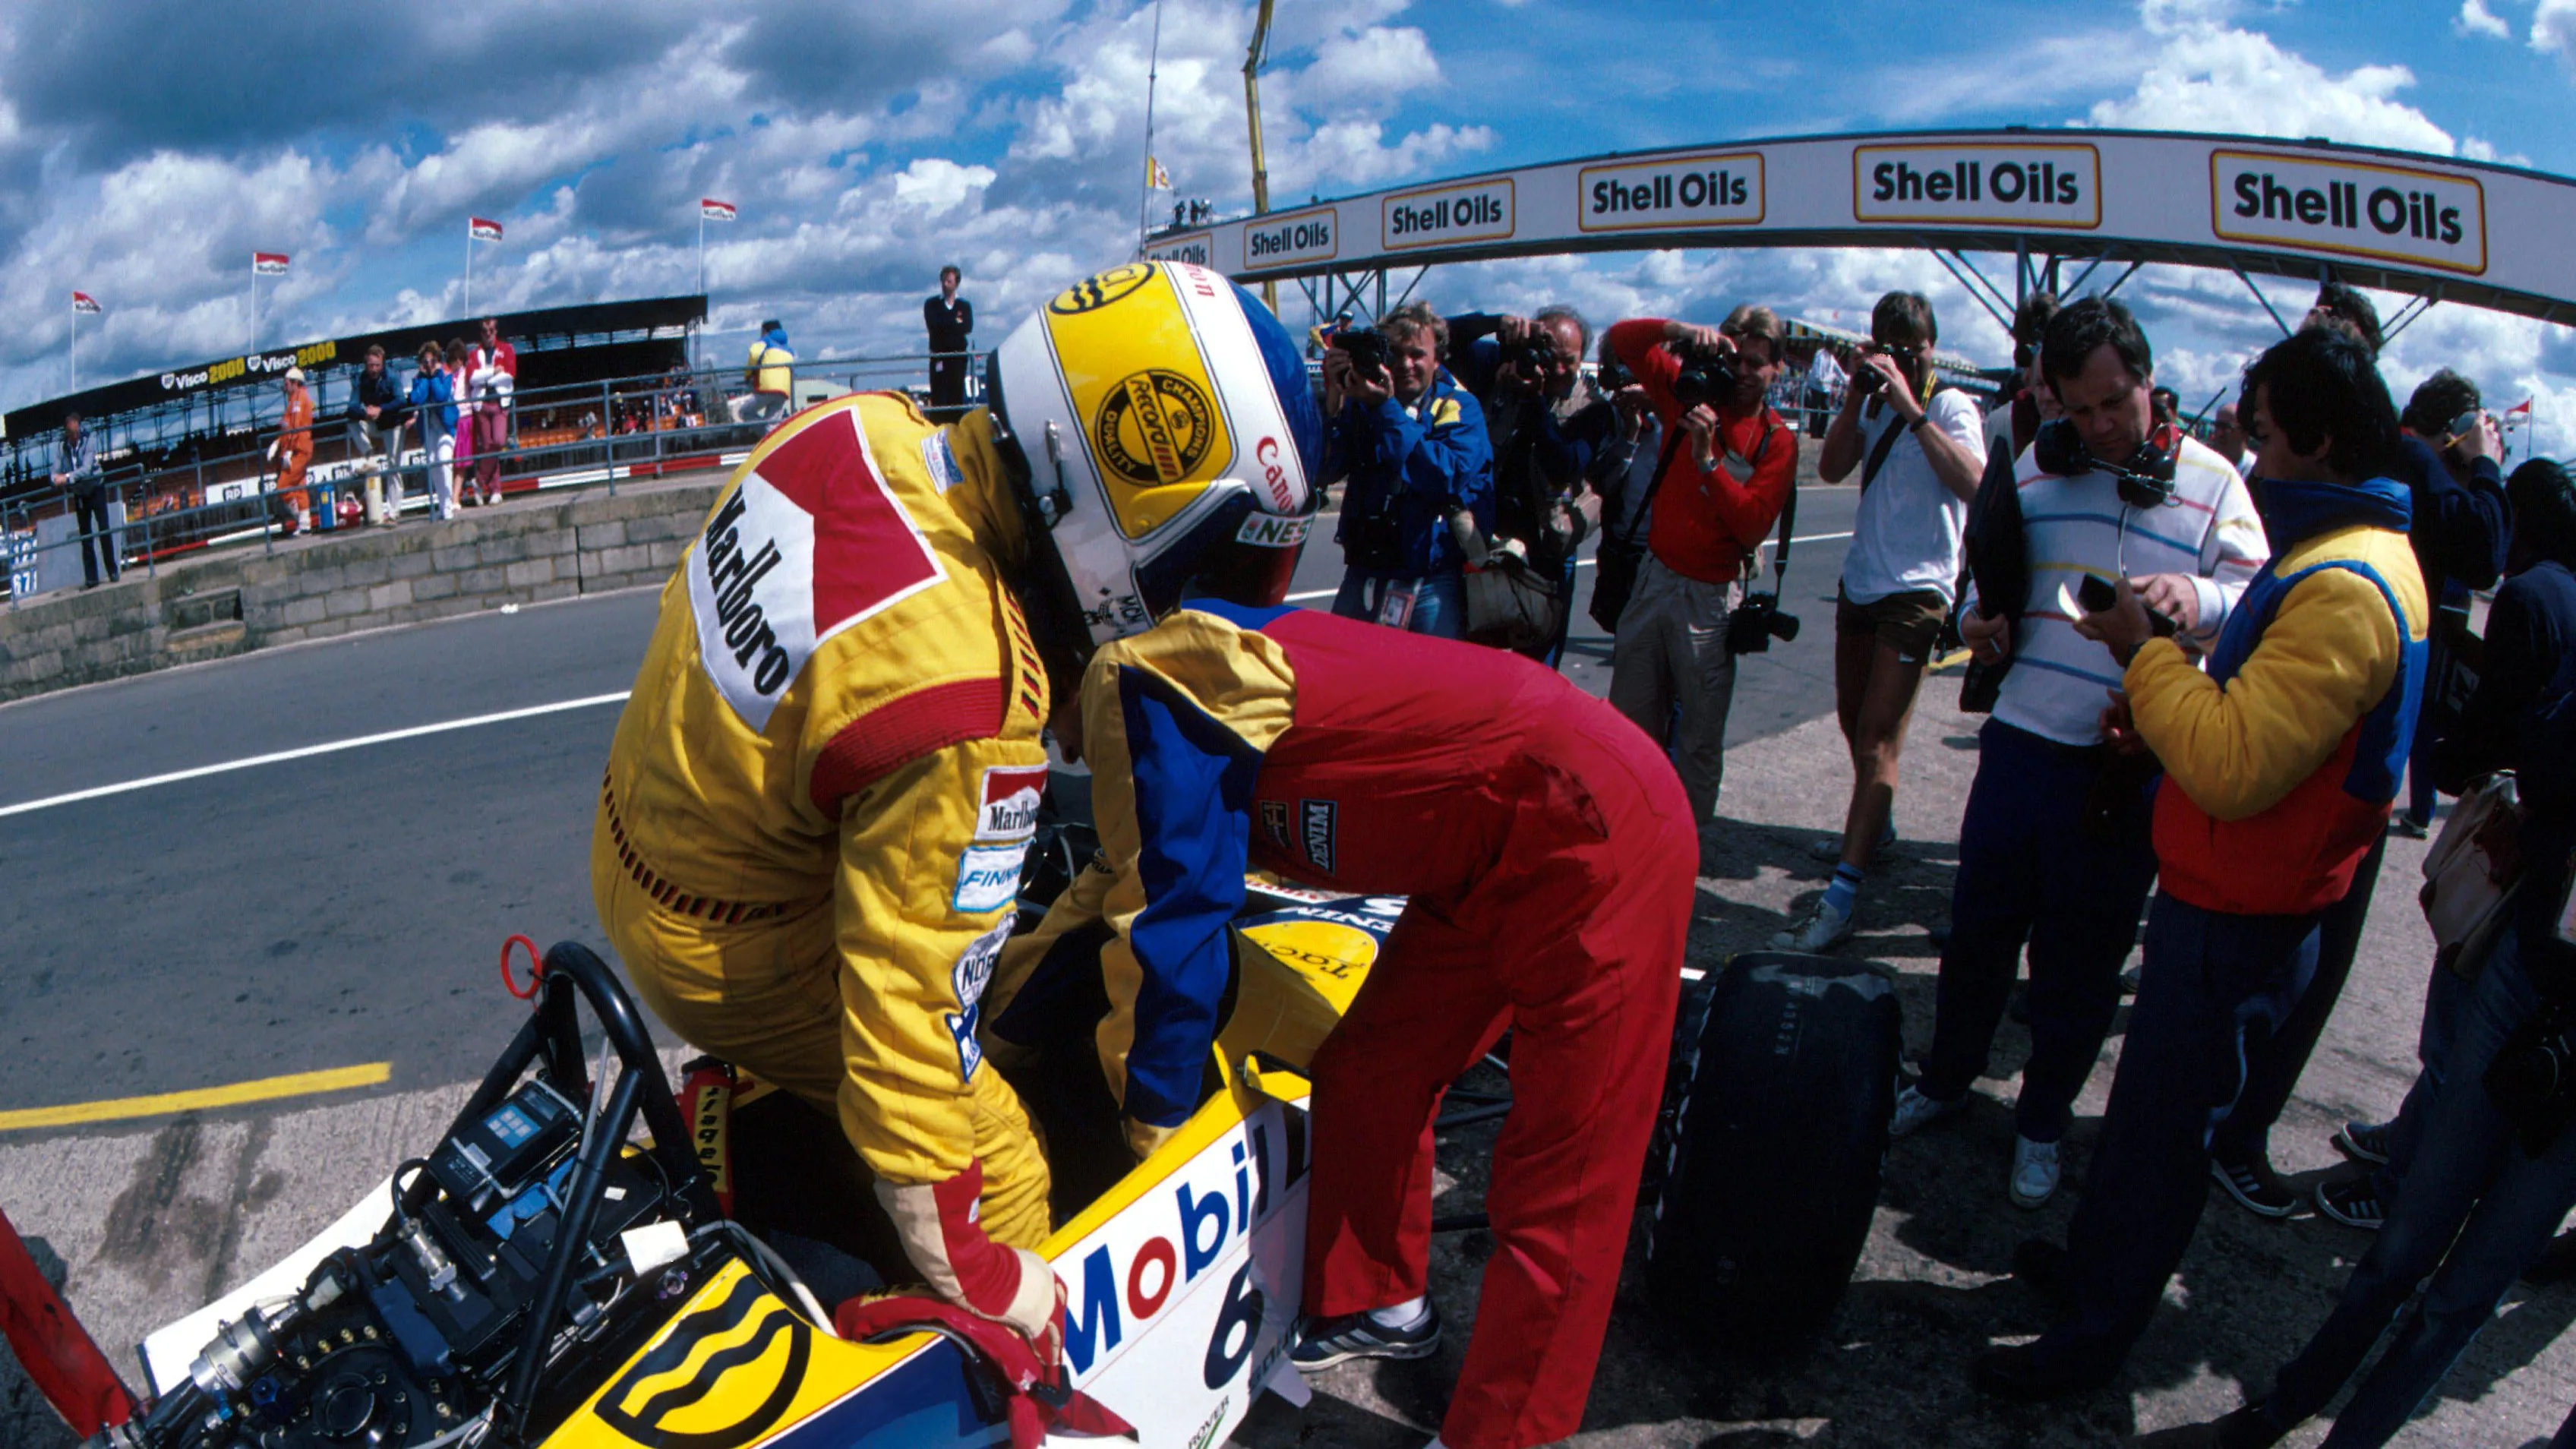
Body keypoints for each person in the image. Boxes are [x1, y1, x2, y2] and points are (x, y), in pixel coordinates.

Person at [592, 260, 1318, 1365]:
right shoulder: (974, 693)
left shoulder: (853, 429)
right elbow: (909, 1015)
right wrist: (987, 1272)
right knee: (1005, 1162)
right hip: (721, 947)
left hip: (642, 837)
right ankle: (1022, 1393)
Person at [994, 609, 1693, 1449]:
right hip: (1476, 854)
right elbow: (1102, 902)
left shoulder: (1135, 687)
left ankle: (1501, 1437)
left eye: (1045, 723)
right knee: (1370, 1066)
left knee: (1560, 1187)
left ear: (1065, 668)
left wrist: (1155, 1138)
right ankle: (1379, 1302)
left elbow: (1166, 936)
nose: (1056, 754)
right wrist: (994, 1035)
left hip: (1593, 831)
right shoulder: (1158, 707)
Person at [1973, 324, 2426, 1400]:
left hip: (2243, 915)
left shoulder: (2346, 586)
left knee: (2164, 1150)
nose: (2251, 456)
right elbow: (2252, 728)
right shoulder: (2340, 558)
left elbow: (2228, 763)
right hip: (2225, 895)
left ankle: (2087, 1348)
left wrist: (2143, 653)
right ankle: (2090, 1277)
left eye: (2263, 436)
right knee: (2138, 1135)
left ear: (2316, 440)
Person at [2199, 459, 2576, 1449]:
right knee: (2407, 1243)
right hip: (2535, 981)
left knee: (2470, 1288)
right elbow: (2550, 752)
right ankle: (2283, 1405)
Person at [1893, 297, 2265, 1209]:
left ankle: (2041, 1123)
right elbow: (1990, 589)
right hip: (2019, 745)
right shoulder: (2031, 464)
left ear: (2148, 382)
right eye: (2077, 408)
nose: (2097, 428)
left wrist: (2191, 595)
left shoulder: (2217, 481)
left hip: (2123, 768)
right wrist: (1980, 623)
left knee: (2080, 965)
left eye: (2114, 404)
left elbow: (2254, 592)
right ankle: (1944, 1079)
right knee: (1977, 936)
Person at [1778, 292, 1987, 951]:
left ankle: (1841, 894)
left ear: (1930, 348)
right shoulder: (1868, 404)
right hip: (1862, 581)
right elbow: (1835, 468)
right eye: (1886, 344)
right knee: (1851, 719)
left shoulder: (1951, 406)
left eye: (1910, 345)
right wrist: (1851, 400)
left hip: (1919, 590)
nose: (1899, 356)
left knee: (1877, 742)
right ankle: (1879, 828)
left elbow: (1977, 484)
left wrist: (1911, 408)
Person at [1599, 307, 1795, 836]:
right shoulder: (1688, 392)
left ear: (1777, 369)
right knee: (1629, 726)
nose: (1745, 372)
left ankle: (1683, 851)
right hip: (1654, 579)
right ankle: (1627, 834)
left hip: (1710, 601)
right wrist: (1680, 333)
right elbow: (1621, 339)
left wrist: (1709, 460)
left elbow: (1753, 526)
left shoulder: (1775, 439)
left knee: (1699, 742)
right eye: (1737, 358)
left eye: (1757, 363)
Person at [1444, 306, 1611, 664]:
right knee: (1477, 661)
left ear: (1583, 358)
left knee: (1538, 670)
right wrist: (1495, 324)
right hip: (1487, 541)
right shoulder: (1505, 365)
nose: (1558, 369)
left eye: (1570, 360)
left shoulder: (1594, 409)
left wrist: (1534, 400)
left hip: (1544, 552)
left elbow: (1563, 465)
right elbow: (1440, 338)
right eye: (1552, 357)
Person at [1323, 301, 1493, 639]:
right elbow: (1324, 469)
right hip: (1365, 573)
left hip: (1430, 580)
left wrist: (1386, 409)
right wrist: (1333, 400)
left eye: (1417, 354)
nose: (1405, 365)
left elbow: (1446, 476)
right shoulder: (1360, 400)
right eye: (1395, 353)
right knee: (1347, 678)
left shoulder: (1459, 406)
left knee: (1432, 685)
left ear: (1437, 359)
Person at [48, 412, 116, 587]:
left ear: (79, 428)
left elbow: (86, 469)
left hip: (96, 488)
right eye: (70, 433)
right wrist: (55, 478)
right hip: (79, 493)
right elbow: (55, 470)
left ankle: (112, 570)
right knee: (86, 536)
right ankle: (91, 578)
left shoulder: (89, 440)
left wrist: (67, 477)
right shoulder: (61, 447)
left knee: (104, 530)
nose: (74, 436)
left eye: (75, 432)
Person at [346, 344, 409, 524]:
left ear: (382, 363)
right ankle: (369, 455)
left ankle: (394, 512)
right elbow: (351, 407)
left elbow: (401, 401)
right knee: (352, 422)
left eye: (377, 365)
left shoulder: (392, 377)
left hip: (393, 425)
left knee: (393, 466)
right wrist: (365, 412)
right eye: (371, 365)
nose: (373, 369)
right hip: (374, 422)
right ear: (366, 363)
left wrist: (381, 409)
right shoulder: (362, 379)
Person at [466, 318, 517, 507]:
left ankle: (478, 481)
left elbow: (510, 374)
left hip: (500, 403)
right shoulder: (474, 354)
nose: (489, 334)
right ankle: (495, 490)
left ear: (496, 331)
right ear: (481, 333)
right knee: (488, 447)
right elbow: (472, 378)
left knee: (499, 441)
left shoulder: (507, 349)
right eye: (485, 331)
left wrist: (486, 377)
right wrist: (493, 373)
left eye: (492, 330)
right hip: (481, 405)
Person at [409, 343, 459, 521]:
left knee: (444, 459)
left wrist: (435, 375)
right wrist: (424, 378)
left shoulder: (445, 374)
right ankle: (441, 502)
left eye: (433, 360)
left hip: (445, 426)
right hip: (428, 427)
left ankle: (448, 506)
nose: (429, 364)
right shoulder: (418, 379)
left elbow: (441, 396)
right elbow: (416, 398)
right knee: (432, 463)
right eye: (426, 361)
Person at [268, 368, 316, 535]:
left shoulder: (298, 400)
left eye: (287, 383)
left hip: (298, 450)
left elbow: (295, 427)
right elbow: (288, 427)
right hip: (298, 449)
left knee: (283, 487)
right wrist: (278, 443)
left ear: (295, 382)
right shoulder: (294, 400)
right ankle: (305, 526)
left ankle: (301, 520)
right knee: (299, 487)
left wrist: (288, 450)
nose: (285, 386)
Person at [924, 267, 973, 419]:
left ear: (956, 283)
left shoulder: (964, 306)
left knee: (956, 397)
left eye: (949, 281)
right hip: (939, 357)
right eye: (944, 281)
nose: (945, 284)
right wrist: (954, 322)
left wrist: (946, 323)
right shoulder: (932, 304)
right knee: (939, 397)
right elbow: (933, 325)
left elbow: (967, 327)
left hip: (957, 359)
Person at [737, 318, 794, 425]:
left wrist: (747, 375)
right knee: (771, 423)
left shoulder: (764, 342)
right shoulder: (788, 349)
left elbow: (754, 355)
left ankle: (766, 438)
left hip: (766, 388)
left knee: (744, 412)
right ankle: (772, 438)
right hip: (784, 391)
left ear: (765, 331)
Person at [2208, 399, 2252, 474]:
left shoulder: (2253, 472)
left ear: (2244, 433)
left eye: (2227, 428)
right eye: (2217, 426)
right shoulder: (2207, 463)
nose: (2220, 434)